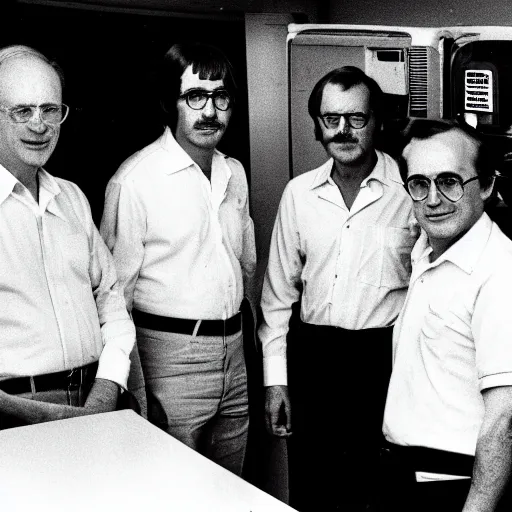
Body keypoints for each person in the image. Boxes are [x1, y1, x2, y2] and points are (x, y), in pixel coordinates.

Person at [259, 66, 416, 511]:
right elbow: (276, 299)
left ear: (378, 122)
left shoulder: (410, 190)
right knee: (315, 492)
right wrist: (277, 383)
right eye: (331, 119)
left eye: (356, 118)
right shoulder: (298, 194)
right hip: (314, 365)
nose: (343, 130)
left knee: (382, 496)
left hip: (383, 366)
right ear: (317, 126)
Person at [100, 42, 256, 476]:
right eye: (195, 97)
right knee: (176, 487)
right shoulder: (135, 181)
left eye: (221, 97)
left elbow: (246, 264)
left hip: (234, 353)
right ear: (171, 103)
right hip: (168, 356)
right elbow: (114, 298)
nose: (210, 112)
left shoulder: (233, 172)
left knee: (231, 488)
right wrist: (135, 388)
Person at [379, 119, 512, 512]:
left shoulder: (499, 272)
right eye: (419, 184)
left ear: (486, 185)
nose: (432, 199)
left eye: (450, 181)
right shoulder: (427, 250)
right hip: (409, 477)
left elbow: (505, 419)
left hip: (455, 486)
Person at [0, 45, 136, 429]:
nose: (39, 125)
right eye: (22, 111)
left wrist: (106, 392)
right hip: (15, 418)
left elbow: (112, 305)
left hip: (97, 401)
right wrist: (41, 415)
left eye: (50, 110)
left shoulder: (73, 198)